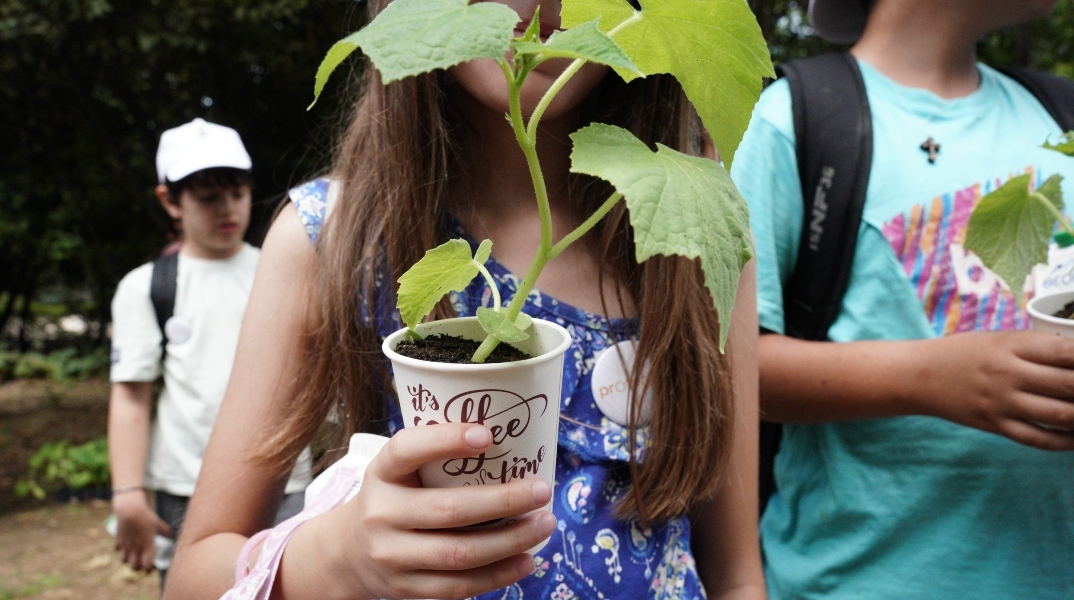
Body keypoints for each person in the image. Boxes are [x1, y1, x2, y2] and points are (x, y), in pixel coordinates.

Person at [162, 0, 765, 598]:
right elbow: (192, 578)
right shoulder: (331, 238)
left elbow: (735, 576)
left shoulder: (696, 234)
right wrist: (332, 558)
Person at [731, 0, 1074, 598]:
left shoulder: (1059, 118)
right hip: (857, 581)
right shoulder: (794, 121)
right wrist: (929, 377)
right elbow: (724, 369)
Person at [107, 118, 311, 583]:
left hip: (284, 481)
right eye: (207, 197)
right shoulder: (147, 288)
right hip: (187, 487)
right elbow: (131, 397)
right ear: (169, 201)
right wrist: (127, 494)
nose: (227, 208)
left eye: (237, 192)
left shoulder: (283, 270)